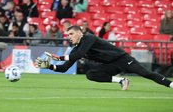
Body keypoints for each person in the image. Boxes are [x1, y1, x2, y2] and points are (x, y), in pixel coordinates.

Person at [35, 25, 173, 90]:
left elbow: (79, 55)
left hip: (123, 59)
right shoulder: (76, 48)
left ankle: (171, 84)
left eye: (71, 34)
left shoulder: (88, 37)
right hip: (111, 65)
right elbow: (65, 68)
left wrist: (58, 57)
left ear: (79, 33)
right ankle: (122, 80)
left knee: (146, 73)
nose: (69, 37)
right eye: (68, 35)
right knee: (91, 74)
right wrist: (50, 66)